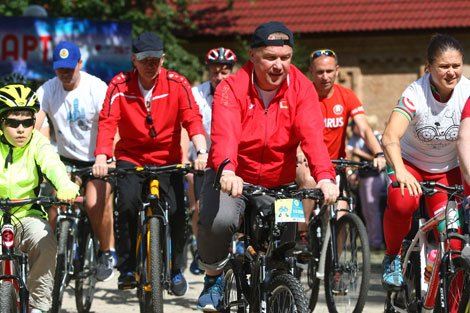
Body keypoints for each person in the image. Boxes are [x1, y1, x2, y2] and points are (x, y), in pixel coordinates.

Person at [196, 21, 339, 311]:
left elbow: (312, 137)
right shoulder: (231, 87)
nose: (279, 66)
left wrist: (324, 177)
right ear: (252, 55)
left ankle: (279, 288)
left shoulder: (302, 87)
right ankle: (213, 278)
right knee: (220, 221)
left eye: (285, 58)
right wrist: (227, 170)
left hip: (280, 180)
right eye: (270, 58)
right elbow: (225, 135)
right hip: (234, 174)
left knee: (285, 248)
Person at [93, 31, 207, 296]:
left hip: (168, 159)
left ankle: (176, 269)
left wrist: (201, 151)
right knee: (128, 205)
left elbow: (192, 118)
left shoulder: (177, 84)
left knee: (179, 212)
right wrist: (102, 157)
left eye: (155, 59)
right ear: (134, 59)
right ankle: (128, 268)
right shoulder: (119, 85)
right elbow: (108, 122)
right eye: (144, 59)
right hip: (131, 157)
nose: (150, 64)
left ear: (163, 58)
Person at [381, 34, 470, 290]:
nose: (451, 72)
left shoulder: (467, 92)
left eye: (456, 65)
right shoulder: (415, 93)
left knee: (453, 242)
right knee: (402, 202)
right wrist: (400, 171)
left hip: (447, 170)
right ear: (428, 66)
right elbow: (389, 136)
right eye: (444, 66)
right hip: (410, 164)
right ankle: (392, 256)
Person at [34, 41, 116, 282]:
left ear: (80, 63)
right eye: (61, 69)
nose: (66, 74)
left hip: (97, 158)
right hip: (65, 158)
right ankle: (49, 255)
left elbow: (111, 123)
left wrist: (108, 158)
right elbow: (37, 127)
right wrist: (39, 157)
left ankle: (104, 252)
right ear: (54, 68)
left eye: (71, 68)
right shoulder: (47, 90)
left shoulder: (96, 88)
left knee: (94, 204)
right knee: (52, 205)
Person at [0, 84, 79, 313]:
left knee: (45, 243)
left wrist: (64, 184)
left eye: (27, 122)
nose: (21, 129)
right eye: (13, 122)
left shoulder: (37, 142)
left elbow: (52, 164)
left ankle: (38, 306)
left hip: (27, 215)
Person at [295, 48, 386, 242]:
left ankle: (334, 270)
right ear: (311, 72)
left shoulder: (346, 95)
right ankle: (301, 234)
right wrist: (298, 151)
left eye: (329, 71)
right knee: (309, 182)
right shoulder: (303, 94)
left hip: (335, 164)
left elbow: (363, 129)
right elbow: (291, 128)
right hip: (307, 161)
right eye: (320, 72)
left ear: (337, 70)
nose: (325, 76)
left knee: (341, 214)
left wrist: (378, 153)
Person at [186, 47, 237, 275]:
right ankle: (202, 249)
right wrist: (198, 154)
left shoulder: (237, 92)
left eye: (224, 71)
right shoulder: (196, 94)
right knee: (199, 207)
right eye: (215, 71)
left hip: (229, 160)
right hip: (202, 159)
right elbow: (188, 123)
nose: (219, 76)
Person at [346, 117, 387, 250]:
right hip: (364, 177)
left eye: (355, 125)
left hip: (374, 177)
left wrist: (360, 153)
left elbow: (380, 159)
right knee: (366, 211)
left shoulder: (375, 137)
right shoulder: (355, 138)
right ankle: (371, 241)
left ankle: (376, 242)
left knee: (372, 210)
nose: (352, 128)